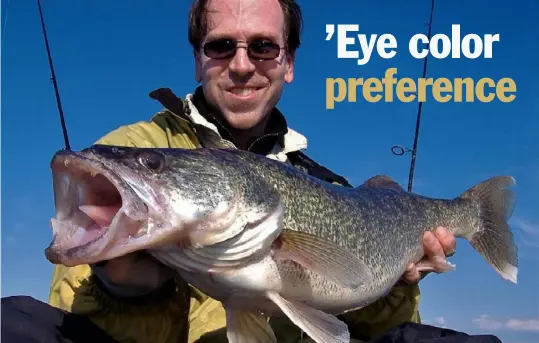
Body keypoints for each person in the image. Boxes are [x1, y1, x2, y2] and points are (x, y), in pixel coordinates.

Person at [3, 1, 502, 343]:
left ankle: (481, 216)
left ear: (288, 64)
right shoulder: (137, 146)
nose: (242, 65)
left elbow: (360, 312)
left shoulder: (324, 184)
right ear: (198, 60)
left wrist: (399, 284)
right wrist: (126, 288)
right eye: (221, 47)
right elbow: (71, 313)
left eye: (263, 47)